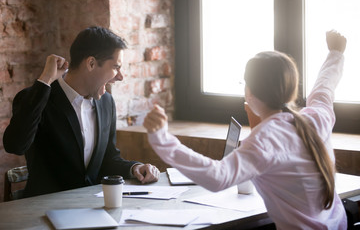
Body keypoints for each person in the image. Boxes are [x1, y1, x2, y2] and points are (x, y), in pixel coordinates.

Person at [143, 30, 347, 229]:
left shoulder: (266, 139)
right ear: (292, 89)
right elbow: (324, 89)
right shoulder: (316, 118)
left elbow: (218, 177)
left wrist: (162, 139)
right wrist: (335, 54)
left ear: (249, 92)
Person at [3, 26, 160, 198]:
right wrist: (45, 80)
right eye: (116, 66)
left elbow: (108, 160)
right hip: (44, 213)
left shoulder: (107, 103)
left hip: (92, 208)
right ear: (91, 63)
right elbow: (15, 145)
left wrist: (134, 168)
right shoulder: (36, 98)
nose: (120, 76)